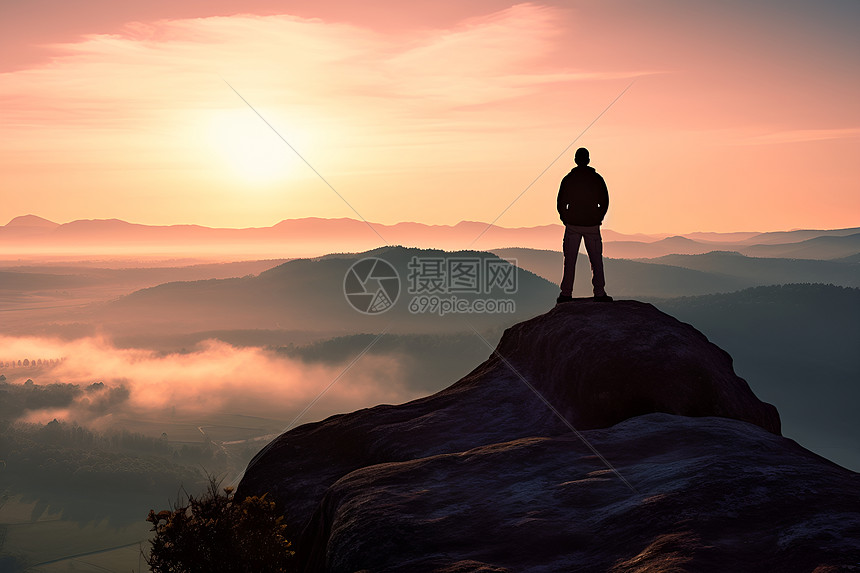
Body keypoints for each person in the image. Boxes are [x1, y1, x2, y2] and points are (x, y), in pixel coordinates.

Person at [556, 147, 612, 303]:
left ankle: (566, 294)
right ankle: (599, 293)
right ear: (588, 160)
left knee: (570, 261)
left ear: (575, 160)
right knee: (596, 261)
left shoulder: (568, 179)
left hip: (573, 225)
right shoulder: (597, 179)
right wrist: (598, 217)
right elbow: (605, 201)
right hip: (592, 225)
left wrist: (565, 218)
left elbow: (561, 202)